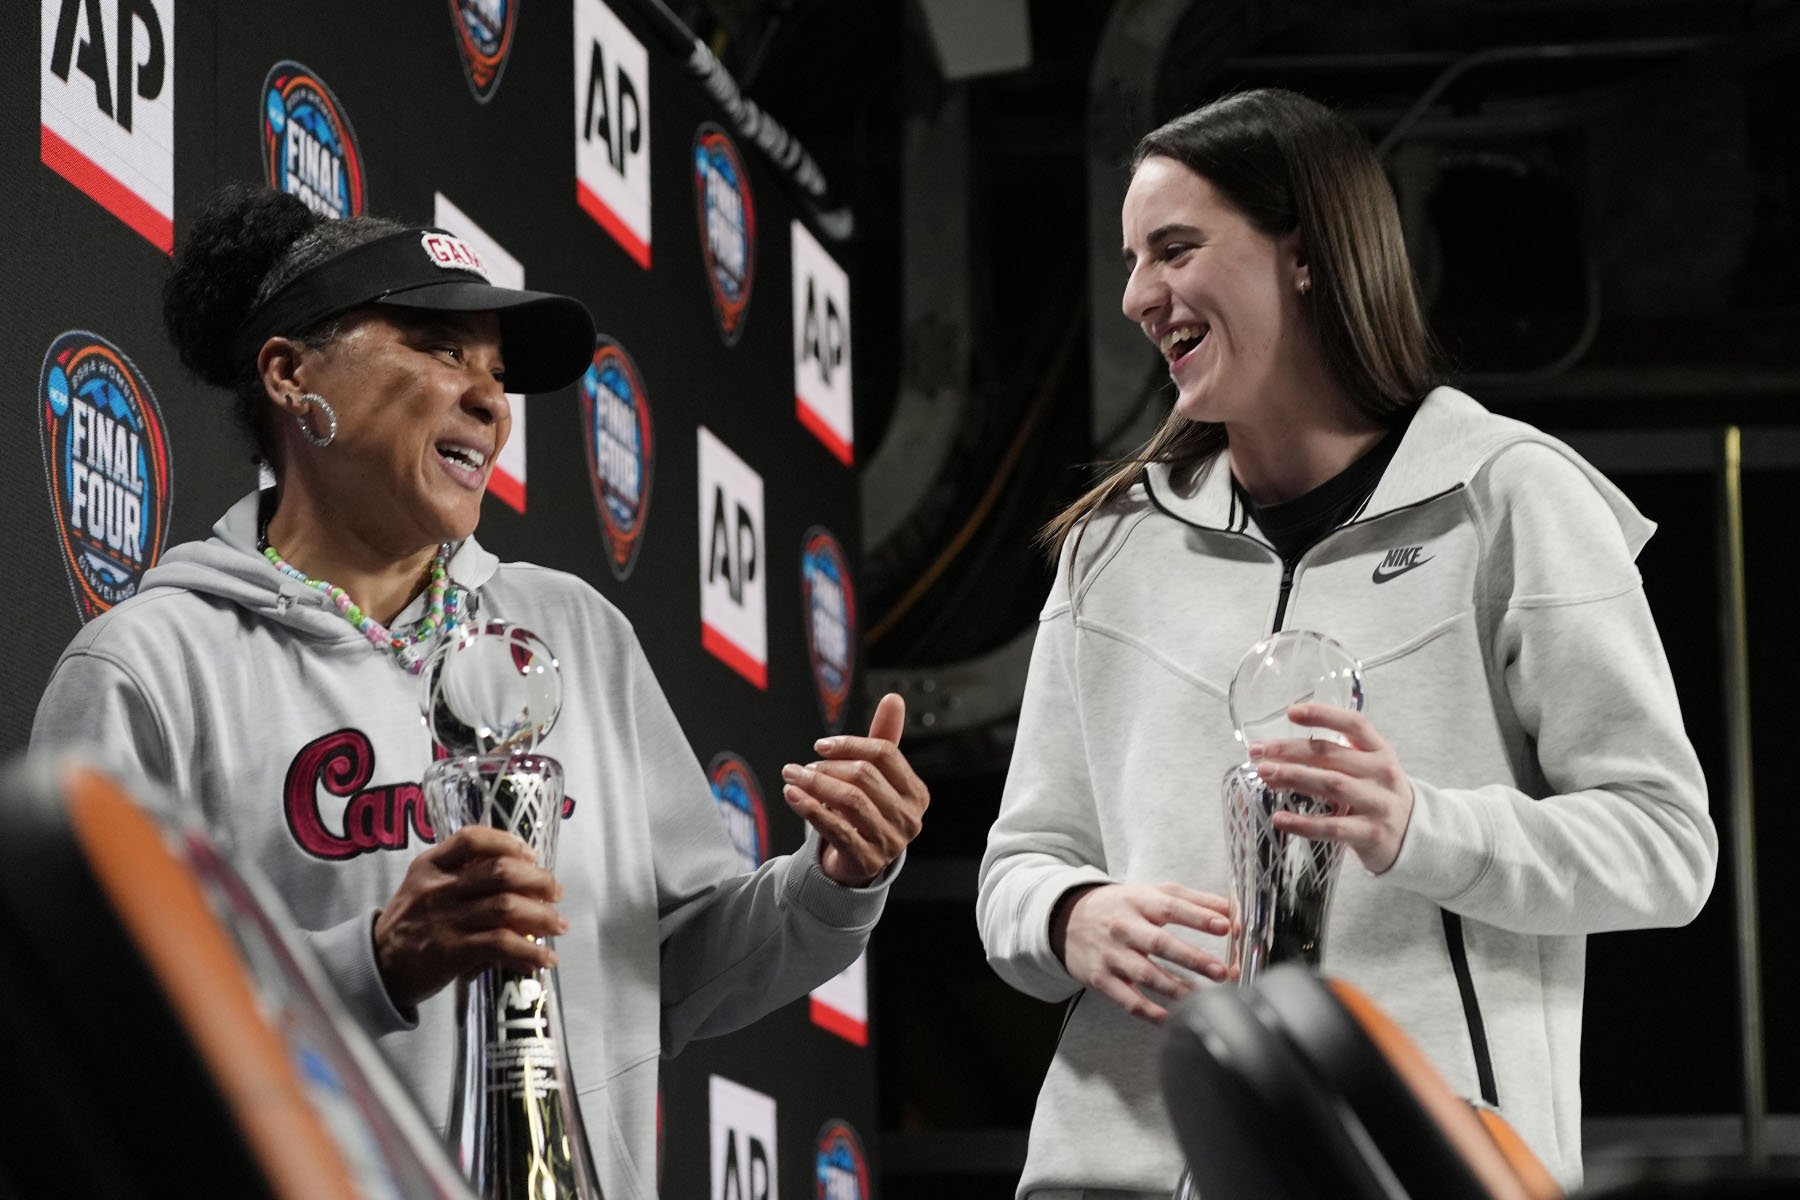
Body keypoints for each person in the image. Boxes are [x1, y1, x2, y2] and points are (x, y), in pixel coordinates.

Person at [30, 182, 928, 1200]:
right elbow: (88, 1047)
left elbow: (672, 966)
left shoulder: (574, 633)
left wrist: (835, 882)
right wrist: (376, 961)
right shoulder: (149, 667)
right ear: (290, 375)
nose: (490, 399)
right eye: (438, 347)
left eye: (497, 372)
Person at [976, 88, 1715, 1197]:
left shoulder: (1509, 500)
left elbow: (1666, 848)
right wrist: (1072, 918)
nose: (1137, 296)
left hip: (1416, 1167)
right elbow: (1017, 867)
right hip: (1112, 1171)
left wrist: (1422, 825)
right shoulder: (1110, 553)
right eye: (1131, 260)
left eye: (1174, 249)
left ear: (1306, 254)